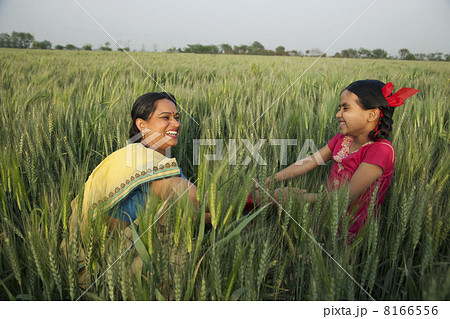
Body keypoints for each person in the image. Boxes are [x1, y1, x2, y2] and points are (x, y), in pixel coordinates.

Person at [66, 92, 211, 284]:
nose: (176, 124)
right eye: (165, 117)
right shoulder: (140, 159)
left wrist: (249, 197)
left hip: (115, 262)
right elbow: (197, 201)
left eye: (177, 117)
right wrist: (252, 199)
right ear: (141, 125)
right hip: (110, 272)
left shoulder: (155, 162)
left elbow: (194, 214)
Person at [263, 80, 419, 237]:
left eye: (346, 108)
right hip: (324, 212)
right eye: (339, 108)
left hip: (351, 227)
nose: (338, 114)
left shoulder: (380, 151)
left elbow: (346, 196)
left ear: (372, 114)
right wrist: (271, 179)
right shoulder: (343, 139)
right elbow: (309, 162)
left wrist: (299, 198)